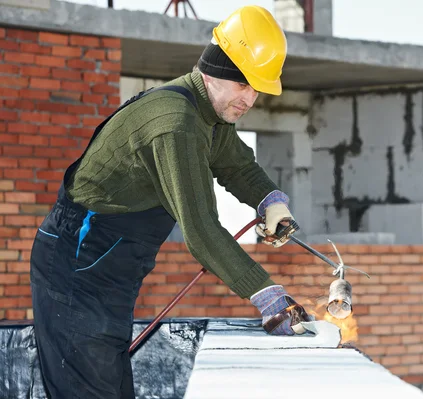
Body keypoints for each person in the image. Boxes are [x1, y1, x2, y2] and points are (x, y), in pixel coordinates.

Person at [30, 5, 311, 399]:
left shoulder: (207, 113)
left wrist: (271, 201)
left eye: (258, 89)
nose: (251, 99)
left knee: (108, 388)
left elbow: (237, 166)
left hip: (107, 270)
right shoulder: (176, 124)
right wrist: (265, 294)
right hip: (78, 265)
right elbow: (200, 228)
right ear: (219, 70)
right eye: (245, 85)